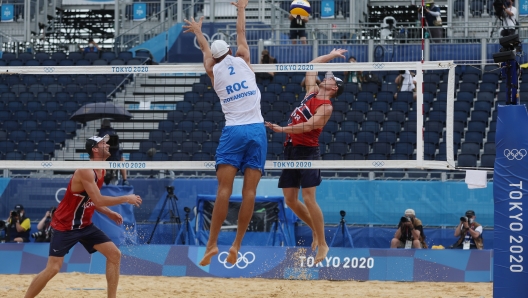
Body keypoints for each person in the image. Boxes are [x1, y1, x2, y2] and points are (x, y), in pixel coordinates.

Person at [183, 0, 267, 267]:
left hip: (234, 131)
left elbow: (207, 53)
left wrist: (198, 32)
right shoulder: (243, 58)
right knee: (250, 193)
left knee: (223, 191)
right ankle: (237, 245)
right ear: (230, 51)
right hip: (256, 129)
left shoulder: (212, 70)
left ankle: (211, 245)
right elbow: (241, 34)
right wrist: (240, 8)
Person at [24, 135, 142, 298]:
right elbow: (99, 199)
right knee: (53, 268)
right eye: (103, 143)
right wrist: (126, 198)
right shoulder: (86, 170)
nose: (107, 145)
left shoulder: (102, 169)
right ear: (95, 149)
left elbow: (93, 201)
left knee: (114, 255)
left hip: (85, 225)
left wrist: (110, 213)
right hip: (65, 226)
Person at [265, 48, 347, 264]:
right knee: (290, 200)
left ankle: (322, 243)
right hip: (291, 149)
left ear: (333, 88)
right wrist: (331, 54)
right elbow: (312, 64)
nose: (326, 77)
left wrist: (282, 130)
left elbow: (309, 126)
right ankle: (314, 229)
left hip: (308, 152)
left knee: (309, 198)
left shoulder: (326, 106)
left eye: (330, 78)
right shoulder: (311, 92)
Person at [98, 119, 129, 186]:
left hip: (104, 159)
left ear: (102, 125)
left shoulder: (100, 134)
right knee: (122, 159)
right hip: (115, 158)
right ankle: (125, 180)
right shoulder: (114, 133)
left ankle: (95, 180)